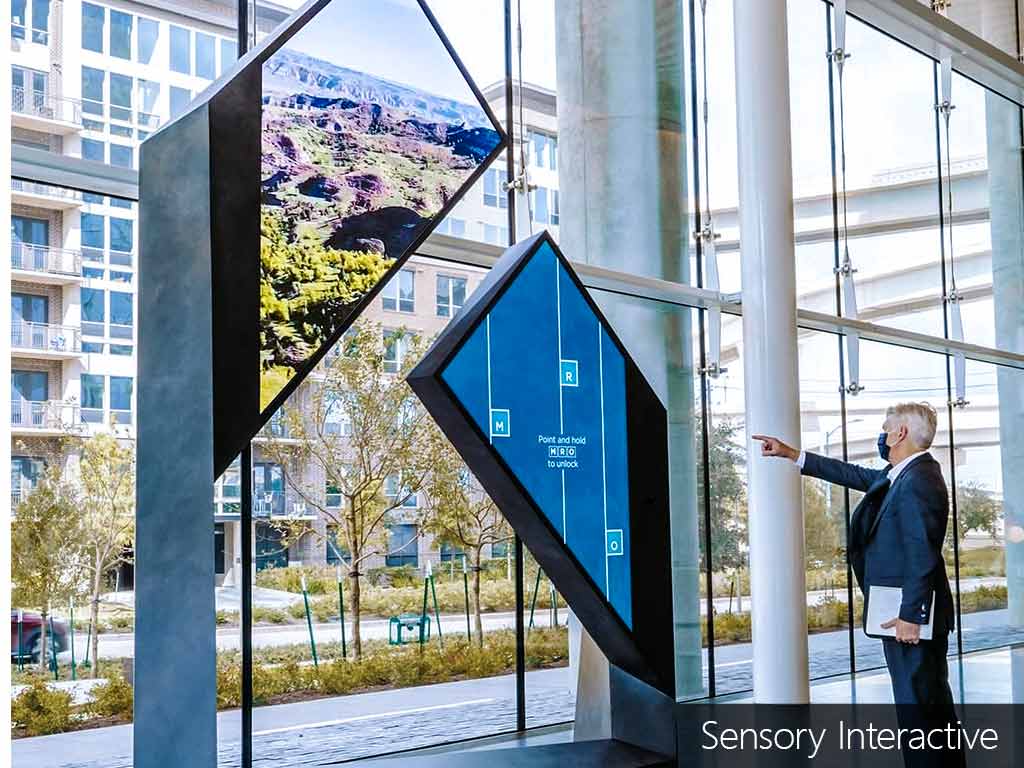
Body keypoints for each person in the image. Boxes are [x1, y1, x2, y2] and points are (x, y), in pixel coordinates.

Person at [754, 402, 964, 768]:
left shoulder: (919, 480)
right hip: (906, 615)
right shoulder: (902, 475)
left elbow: (922, 552)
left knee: (921, 715)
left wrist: (910, 616)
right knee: (930, 710)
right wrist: (793, 455)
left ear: (899, 434)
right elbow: (853, 474)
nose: (882, 435)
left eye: (886, 428)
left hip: (912, 621)